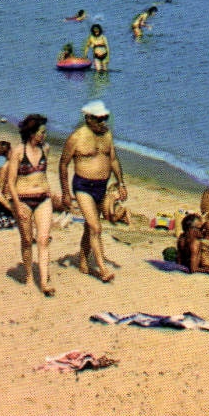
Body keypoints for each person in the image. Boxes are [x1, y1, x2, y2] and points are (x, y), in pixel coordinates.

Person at [59, 101, 123, 283]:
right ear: (88, 118)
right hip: (83, 186)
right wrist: (65, 193)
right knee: (96, 227)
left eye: (105, 118)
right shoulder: (76, 137)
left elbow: (113, 159)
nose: (103, 122)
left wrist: (121, 183)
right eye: (99, 119)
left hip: (101, 186)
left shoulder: (107, 134)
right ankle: (103, 269)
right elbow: (63, 164)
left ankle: (83, 258)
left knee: (89, 227)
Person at [0, 114, 56, 296]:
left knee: (43, 240)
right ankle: (29, 275)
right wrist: (16, 204)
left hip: (43, 199)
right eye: (42, 132)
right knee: (27, 240)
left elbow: (43, 175)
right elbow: (10, 181)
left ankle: (44, 282)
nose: (45, 135)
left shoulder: (46, 149)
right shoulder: (18, 152)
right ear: (32, 133)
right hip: (23, 200)